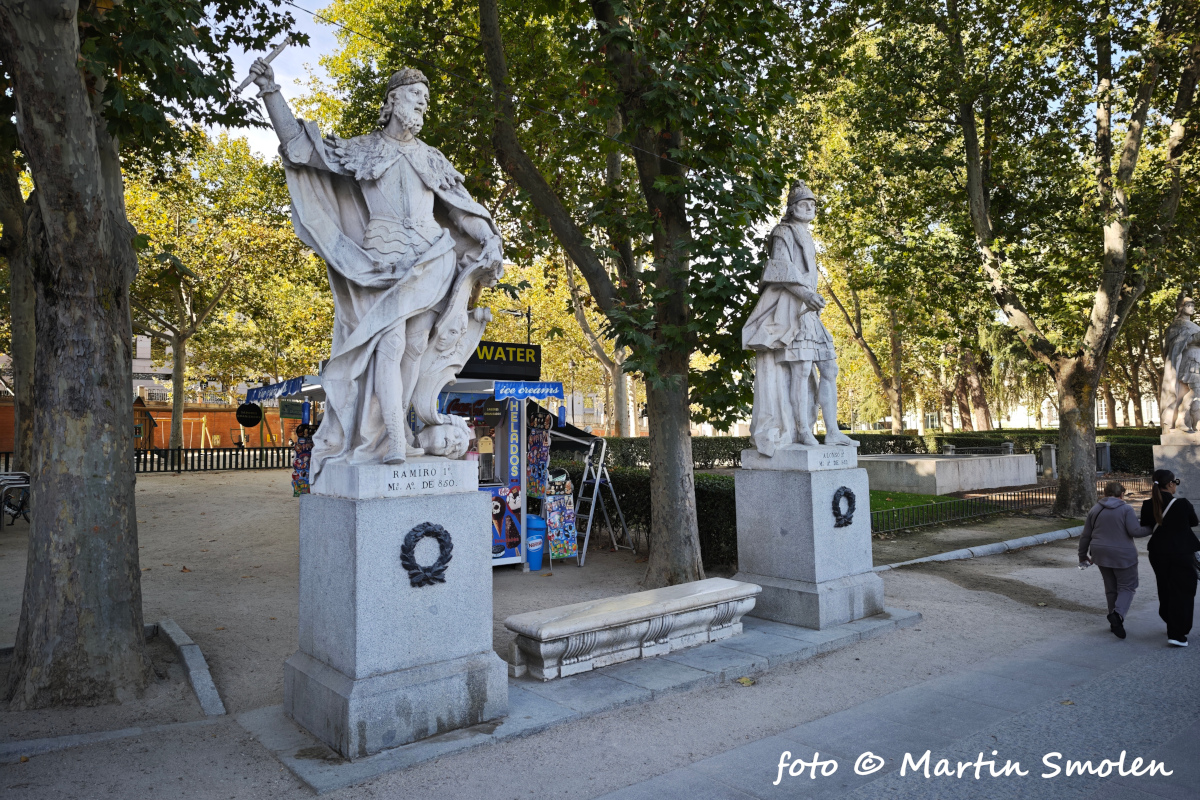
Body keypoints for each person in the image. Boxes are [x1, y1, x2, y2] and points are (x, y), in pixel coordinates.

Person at [248, 60, 502, 476]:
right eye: (415, 95)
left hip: (430, 256)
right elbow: (301, 147)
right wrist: (272, 92)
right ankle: (394, 438)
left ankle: (397, 423)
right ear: (392, 99)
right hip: (380, 260)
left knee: (416, 346)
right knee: (390, 343)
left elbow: (461, 211)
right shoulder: (363, 148)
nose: (423, 103)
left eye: (426, 99)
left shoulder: (432, 157)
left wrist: (488, 236)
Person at [742, 181, 856, 454]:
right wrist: (805, 295)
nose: (809, 208)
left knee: (829, 368)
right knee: (801, 371)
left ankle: (832, 432)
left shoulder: (807, 236)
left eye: (813, 205)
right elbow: (779, 272)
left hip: (810, 312)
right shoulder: (782, 232)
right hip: (792, 311)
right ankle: (803, 430)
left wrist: (809, 297)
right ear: (791, 209)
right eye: (803, 204)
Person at [1078, 481, 1152, 638]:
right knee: (1127, 586)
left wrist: (1082, 555)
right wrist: (1152, 528)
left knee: (1111, 588)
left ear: (1104, 493)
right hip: (1123, 554)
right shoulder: (1126, 509)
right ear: (1122, 494)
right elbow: (1135, 531)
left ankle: (1115, 621)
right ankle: (1117, 615)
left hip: (1100, 553)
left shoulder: (1095, 509)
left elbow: (1086, 535)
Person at [1139, 469, 1200, 646]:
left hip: (1158, 553)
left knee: (1165, 587)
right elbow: (1194, 522)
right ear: (1170, 484)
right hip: (1182, 553)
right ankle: (1177, 633)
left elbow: (1146, 524)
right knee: (1183, 592)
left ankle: (1170, 621)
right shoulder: (1182, 504)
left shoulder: (1147, 504)